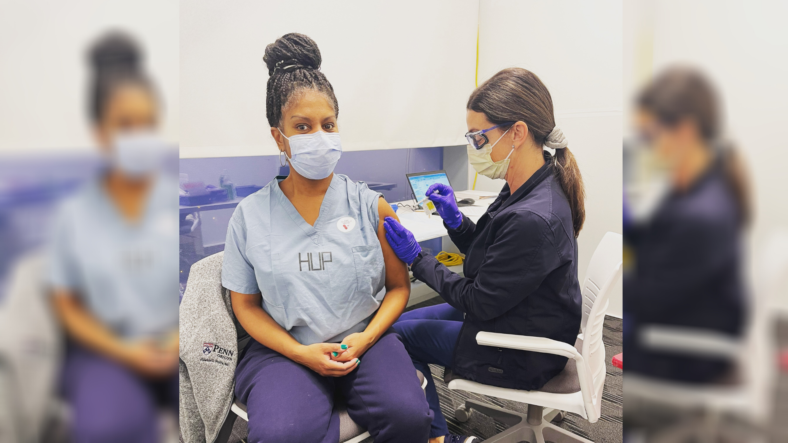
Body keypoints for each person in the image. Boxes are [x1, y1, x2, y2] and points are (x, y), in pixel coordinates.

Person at [222, 33, 432, 443]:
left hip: (365, 340)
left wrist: (366, 338)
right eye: (303, 126)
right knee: (283, 434)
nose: (319, 136)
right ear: (278, 136)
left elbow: (398, 288)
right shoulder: (249, 217)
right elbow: (245, 306)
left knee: (408, 416)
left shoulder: (371, 206)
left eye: (328, 124)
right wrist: (300, 352)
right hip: (284, 349)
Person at [384, 68, 586, 443]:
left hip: (521, 348)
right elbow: (492, 255)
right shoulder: (527, 184)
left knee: (396, 339)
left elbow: (477, 300)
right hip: (516, 314)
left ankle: (438, 438)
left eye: (479, 137)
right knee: (394, 321)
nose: (474, 147)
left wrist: (417, 259)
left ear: (518, 133)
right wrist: (455, 221)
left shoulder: (533, 216)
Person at [48, 32, 179, 442]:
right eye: (125, 125)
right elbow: (67, 306)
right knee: (108, 428)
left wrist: (178, 339)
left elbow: (193, 291)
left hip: (175, 343)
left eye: (148, 124)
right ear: (100, 133)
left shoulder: (171, 201)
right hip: (106, 351)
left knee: (209, 403)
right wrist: (125, 351)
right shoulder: (75, 214)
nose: (139, 137)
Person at [624, 67, 748, 383]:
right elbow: (661, 248)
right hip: (682, 324)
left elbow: (648, 299)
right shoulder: (699, 186)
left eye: (648, 136)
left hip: (684, 354)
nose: (644, 147)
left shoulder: (700, 216)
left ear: (685, 131)